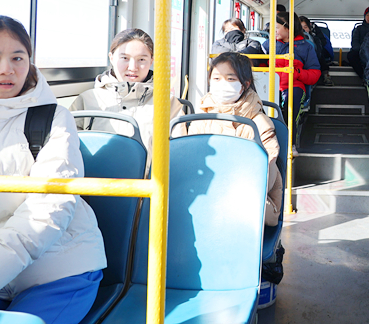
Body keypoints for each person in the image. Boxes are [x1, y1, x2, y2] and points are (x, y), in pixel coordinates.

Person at [0, 16, 106, 322]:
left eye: (18, 58)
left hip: (60, 271)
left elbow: (50, 205)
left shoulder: (53, 119)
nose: (7, 69)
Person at [188, 53, 283, 226]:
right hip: (206, 191)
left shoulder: (259, 123)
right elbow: (190, 160)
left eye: (230, 79)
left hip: (251, 196)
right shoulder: (201, 119)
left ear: (245, 84)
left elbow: (267, 170)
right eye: (216, 78)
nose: (222, 84)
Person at [70, 28, 186, 151]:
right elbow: (68, 146)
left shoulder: (167, 103)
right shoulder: (88, 100)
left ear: (151, 61)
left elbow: (179, 151)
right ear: (111, 58)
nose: (133, 67)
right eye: (125, 58)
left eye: (141, 60)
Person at [262, 12, 321, 119]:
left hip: (294, 85)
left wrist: (298, 73)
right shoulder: (268, 45)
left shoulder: (305, 47)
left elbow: (314, 73)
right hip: (271, 84)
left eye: (276, 28)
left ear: (288, 28)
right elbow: (261, 65)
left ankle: (291, 128)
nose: (273, 31)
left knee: (292, 103)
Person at [300, 16, 333, 86]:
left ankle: (325, 74)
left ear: (309, 28)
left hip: (314, 55)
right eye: (301, 27)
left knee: (320, 55)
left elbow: (322, 43)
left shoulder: (315, 38)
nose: (303, 30)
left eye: (305, 27)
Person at [348, 6, 369, 78]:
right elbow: (354, 42)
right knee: (351, 55)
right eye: (368, 15)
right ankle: (363, 76)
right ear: (364, 16)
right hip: (360, 51)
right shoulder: (358, 29)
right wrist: (362, 51)